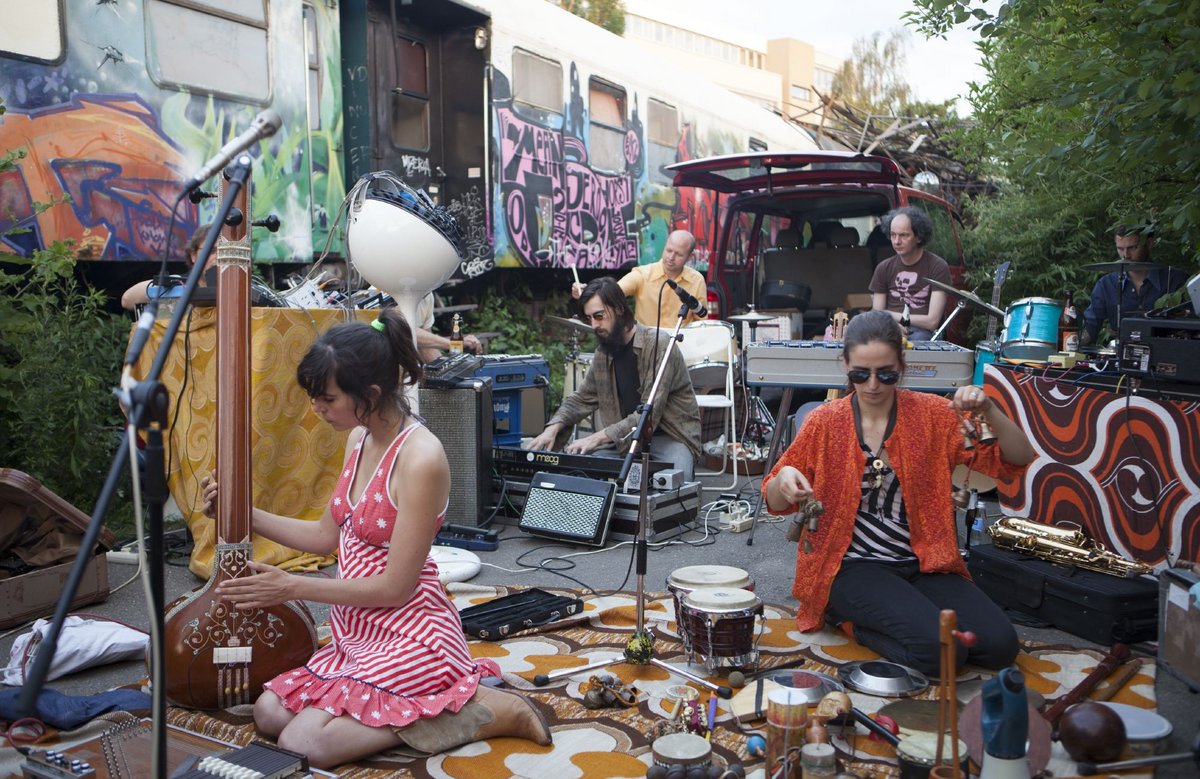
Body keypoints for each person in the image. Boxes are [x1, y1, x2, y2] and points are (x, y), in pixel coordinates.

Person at [200, 307, 550, 768]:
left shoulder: (421, 457)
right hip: (361, 631)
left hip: (415, 634)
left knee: (303, 744)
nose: (316, 409)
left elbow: (394, 589)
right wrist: (241, 512)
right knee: (268, 712)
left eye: (326, 399)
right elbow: (327, 537)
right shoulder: (359, 438)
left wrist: (290, 586)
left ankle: (477, 709)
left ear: (370, 393)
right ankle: (434, 707)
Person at [762, 310, 1037, 676]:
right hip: (849, 567)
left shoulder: (933, 415)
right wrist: (784, 482)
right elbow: (771, 498)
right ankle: (846, 620)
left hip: (923, 563)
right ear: (844, 364)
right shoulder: (825, 422)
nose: (873, 385)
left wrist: (990, 408)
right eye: (860, 374)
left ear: (902, 366)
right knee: (944, 654)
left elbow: (1017, 459)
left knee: (1000, 646)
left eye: (886, 374)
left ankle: (902, 616)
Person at [529, 276, 702, 481]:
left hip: (670, 438)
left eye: (599, 316)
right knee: (581, 469)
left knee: (675, 490)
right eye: (589, 318)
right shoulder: (604, 352)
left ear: (619, 309)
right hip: (626, 440)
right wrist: (552, 428)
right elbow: (581, 398)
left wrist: (596, 438)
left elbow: (649, 413)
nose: (594, 325)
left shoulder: (658, 344)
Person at [571, 229, 707, 328]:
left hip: (681, 347)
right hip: (646, 346)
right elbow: (612, 292)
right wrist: (587, 293)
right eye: (668, 250)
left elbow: (701, 323)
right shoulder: (643, 274)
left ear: (689, 257)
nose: (671, 257)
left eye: (678, 254)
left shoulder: (697, 280)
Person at [1080, 225, 1185, 347]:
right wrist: (1069, 342)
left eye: (1132, 248)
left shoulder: (1174, 280)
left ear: (1149, 243)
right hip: (1122, 359)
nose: (1126, 255)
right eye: (1120, 249)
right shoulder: (1106, 285)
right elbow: (1090, 326)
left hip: (1169, 355)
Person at [869, 207, 952, 341]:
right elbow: (877, 314)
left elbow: (932, 322)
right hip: (888, 328)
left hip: (922, 332)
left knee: (918, 339)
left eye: (903, 235)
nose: (896, 241)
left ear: (918, 237)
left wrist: (889, 315)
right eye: (893, 235)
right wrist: (892, 325)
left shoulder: (938, 266)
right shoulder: (883, 268)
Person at [121, 224, 211, 310]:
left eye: (223, 251)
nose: (218, 256)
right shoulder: (181, 283)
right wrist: (172, 285)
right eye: (211, 250)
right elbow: (127, 300)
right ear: (193, 256)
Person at [413, 291, 483, 362]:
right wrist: (455, 344)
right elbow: (407, 331)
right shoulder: (402, 293)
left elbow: (427, 347)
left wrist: (447, 368)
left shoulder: (428, 296)